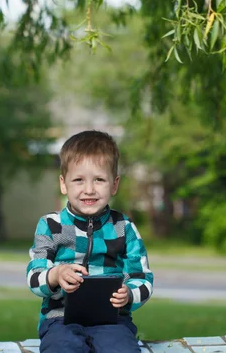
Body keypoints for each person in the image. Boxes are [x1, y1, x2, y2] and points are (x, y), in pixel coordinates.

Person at [26, 130, 154, 353]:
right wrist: (55, 275)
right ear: (63, 184)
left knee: (123, 350)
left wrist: (129, 294)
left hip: (112, 320)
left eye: (99, 180)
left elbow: (143, 278)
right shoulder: (51, 225)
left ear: (114, 185)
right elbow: (34, 277)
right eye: (78, 180)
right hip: (60, 319)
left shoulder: (123, 227)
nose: (89, 190)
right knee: (61, 347)